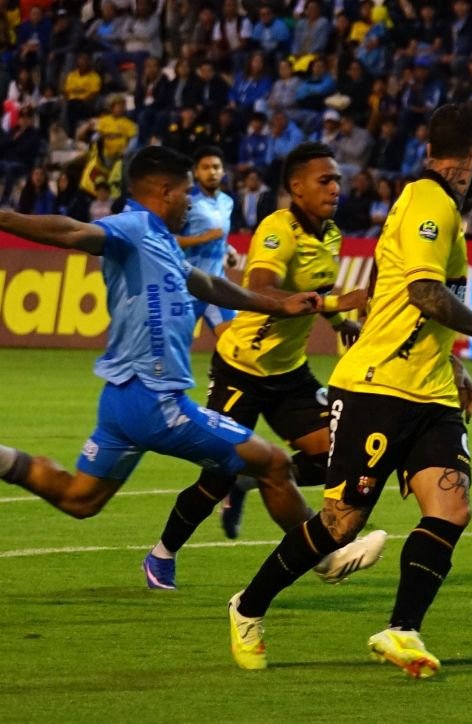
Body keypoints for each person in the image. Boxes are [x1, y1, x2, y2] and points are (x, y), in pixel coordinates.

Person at [226, 104, 472, 674]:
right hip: (377, 387)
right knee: (339, 525)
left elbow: (404, 298)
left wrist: (454, 365)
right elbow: (426, 292)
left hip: (428, 392)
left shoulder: (434, 206)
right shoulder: (429, 202)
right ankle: (248, 606)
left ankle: (402, 630)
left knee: (452, 506)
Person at [0, 146, 320, 538]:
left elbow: (207, 283)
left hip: (121, 399)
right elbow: (72, 231)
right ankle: (324, 551)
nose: (191, 202)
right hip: (155, 398)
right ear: (167, 191)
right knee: (272, 464)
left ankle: (3, 461)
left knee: (80, 499)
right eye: (187, 193)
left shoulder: (162, 239)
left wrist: (277, 305)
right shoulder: (133, 227)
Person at [145, 142, 375, 589]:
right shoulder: (278, 229)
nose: (335, 188)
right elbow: (262, 288)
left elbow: (320, 284)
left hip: (289, 373)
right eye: (324, 180)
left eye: (338, 181)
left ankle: (253, 480)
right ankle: (161, 553)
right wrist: (334, 301)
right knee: (216, 473)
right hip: (242, 369)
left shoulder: (330, 233)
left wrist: (338, 319)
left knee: (333, 456)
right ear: (296, 187)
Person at [175, 146, 238, 338]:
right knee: (174, 347)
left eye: (216, 167)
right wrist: (201, 239)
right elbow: (167, 240)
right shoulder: (185, 201)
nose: (212, 172)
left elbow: (220, 235)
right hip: (187, 287)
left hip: (215, 285)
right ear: (196, 172)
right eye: (206, 167)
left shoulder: (227, 202)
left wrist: (229, 250)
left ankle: (217, 370)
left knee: (234, 343)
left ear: (223, 171)